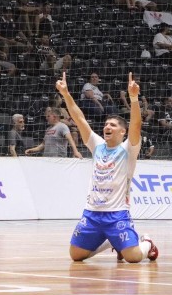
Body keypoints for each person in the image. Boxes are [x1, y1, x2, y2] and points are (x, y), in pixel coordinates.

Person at [57, 71, 158, 263]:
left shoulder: (128, 149)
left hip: (117, 214)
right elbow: (79, 119)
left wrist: (134, 98)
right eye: (105, 124)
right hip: (92, 212)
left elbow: (136, 124)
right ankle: (112, 242)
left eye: (112, 125)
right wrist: (66, 94)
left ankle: (147, 243)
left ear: (122, 131)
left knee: (134, 258)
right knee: (76, 256)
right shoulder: (97, 145)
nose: (107, 127)